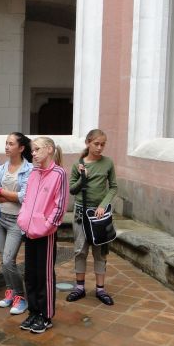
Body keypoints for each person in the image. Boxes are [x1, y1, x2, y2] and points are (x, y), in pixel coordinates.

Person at [17, 137, 68, 334]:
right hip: (29, 231)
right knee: (30, 273)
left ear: (49, 149)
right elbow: (27, 199)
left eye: (37, 149)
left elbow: (59, 205)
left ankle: (45, 316)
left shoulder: (59, 174)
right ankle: (34, 311)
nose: (33, 153)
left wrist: (47, 226)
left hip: (45, 234)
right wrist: (23, 219)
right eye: (33, 150)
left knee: (44, 275)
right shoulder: (34, 172)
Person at [67, 129, 118, 306]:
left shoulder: (108, 163)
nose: (99, 147)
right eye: (96, 144)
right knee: (80, 250)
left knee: (100, 252)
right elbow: (72, 190)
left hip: (100, 215)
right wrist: (83, 178)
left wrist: (103, 205)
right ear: (88, 143)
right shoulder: (78, 164)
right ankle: (79, 287)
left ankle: (100, 289)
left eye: (103, 144)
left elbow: (113, 187)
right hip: (81, 213)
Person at [0, 132, 32, 315]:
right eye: (6, 143)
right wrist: (9, 195)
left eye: (11, 144)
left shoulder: (29, 169)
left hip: (16, 221)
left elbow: (25, 196)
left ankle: (21, 297)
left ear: (21, 148)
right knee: (5, 260)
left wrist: (3, 193)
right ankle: (10, 291)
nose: (7, 146)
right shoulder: (1, 168)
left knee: (8, 260)